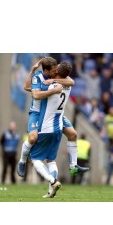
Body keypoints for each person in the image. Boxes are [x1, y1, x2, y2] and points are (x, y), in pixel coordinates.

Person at [17, 57, 88, 178]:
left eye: (57, 69)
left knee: (73, 134)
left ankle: (73, 166)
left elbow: (71, 82)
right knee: (33, 138)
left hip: (55, 112)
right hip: (37, 112)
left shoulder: (54, 77)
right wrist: (33, 72)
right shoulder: (38, 77)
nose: (56, 71)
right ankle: (22, 160)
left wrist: (53, 81)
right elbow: (31, 91)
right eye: (54, 70)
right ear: (47, 70)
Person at [29, 61, 73, 198]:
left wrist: (33, 74)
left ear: (57, 70)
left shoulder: (50, 85)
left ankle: (52, 181)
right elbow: (71, 81)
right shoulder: (67, 85)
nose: (54, 69)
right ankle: (51, 192)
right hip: (59, 128)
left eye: (56, 68)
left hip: (46, 128)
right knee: (51, 160)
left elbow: (35, 93)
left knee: (35, 159)